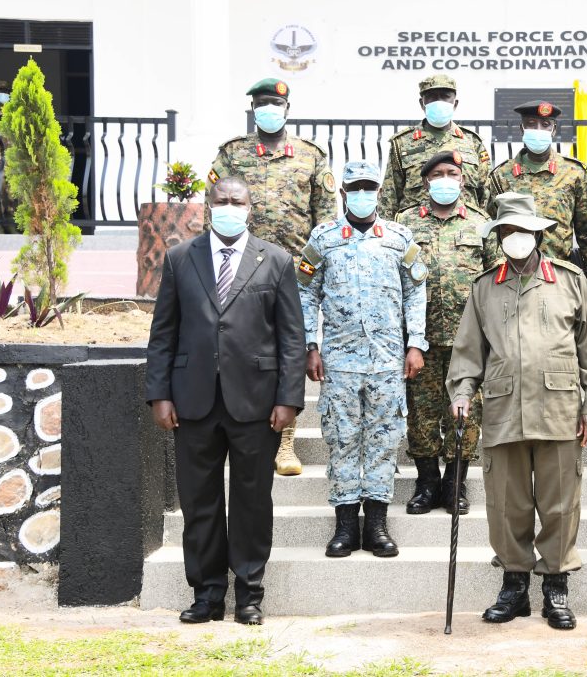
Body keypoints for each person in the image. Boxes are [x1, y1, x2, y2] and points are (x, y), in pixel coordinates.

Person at [145, 176, 306, 626]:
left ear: (250, 208)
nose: (229, 206)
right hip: (192, 401)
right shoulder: (181, 259)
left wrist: (289, 398)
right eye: (222, 200)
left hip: (256, 403)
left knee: (252, 502)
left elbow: (292, 338)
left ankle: (250, 593)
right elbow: (164, 333)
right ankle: (207, 594)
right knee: (200, 504)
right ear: (209, 205)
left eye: (238, 201)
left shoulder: (275, 260)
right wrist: (159, 394)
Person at [447, 191, 587, 631]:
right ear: (498, 235)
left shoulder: (571, 281)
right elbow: (467, 352)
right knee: (506, 503)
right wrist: (462, 392)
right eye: (507, 231)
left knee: (559, 504)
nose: (515, 237)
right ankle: (514, 584)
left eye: (523, 230)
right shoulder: (484, 287)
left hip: (559, 408)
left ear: (537, 234)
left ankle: (555, 586)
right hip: (502, 409)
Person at [207, 77, 338, 478]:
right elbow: (212, 206)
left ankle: (286, 442)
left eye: (274, 103)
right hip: (241, 269)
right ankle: (246, 430)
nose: (268, 109)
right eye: (261, 103)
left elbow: (326, 217)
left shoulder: (310, 155)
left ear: (286, 109)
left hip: (295, 272)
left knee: (288, 352)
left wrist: (319, 268)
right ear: (253, 109)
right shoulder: (233, 154)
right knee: (247, 348)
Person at [297, 160, 428, 559]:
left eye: (369, 187)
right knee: (341, 440)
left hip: (388, 361)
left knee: (384, 440)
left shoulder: (400, 238)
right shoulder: (323, 239)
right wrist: (310, 345)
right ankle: (344, 526)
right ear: (343, 193)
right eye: (355, 187)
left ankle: (376, 524)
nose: (362, 194)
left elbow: (415, 292)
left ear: (379, 191)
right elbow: (305, 293)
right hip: (338, 362)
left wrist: (416, 343)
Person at [396, 151, 500, 515]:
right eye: (437, 174)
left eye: (451, 173)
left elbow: (495, 281)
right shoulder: (405, 224)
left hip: (468, 341)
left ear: (463, 179)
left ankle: (456, 484)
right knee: (422, 415)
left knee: (466, 415)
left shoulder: (481, 223)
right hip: (420, 339)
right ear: (425, 181)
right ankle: (426, 484)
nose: (444, 179)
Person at [487, 100, 587, 296]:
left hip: (559, 280)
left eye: (545, 125)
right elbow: (492, 232)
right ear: (522, 128)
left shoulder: (573, 173)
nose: (538, 130)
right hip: (512, 279)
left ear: (554, 130)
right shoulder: (501, 175)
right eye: (531, 124)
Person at [379, 74, 491, 220]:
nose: (439, 102)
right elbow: (390, 196)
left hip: (465, 232)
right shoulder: (402, 143)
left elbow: (486, 195)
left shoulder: (473, 142)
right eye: (432, 97)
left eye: (445, 96)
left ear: (455, 103)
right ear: (422, 103)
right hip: (417, 231)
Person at [0, 80, 17, 233]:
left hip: (11, 159)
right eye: (1, 91)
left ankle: (10, 223)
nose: (4, 94)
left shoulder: (13, 112)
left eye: (6, 91)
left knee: (12, 193)